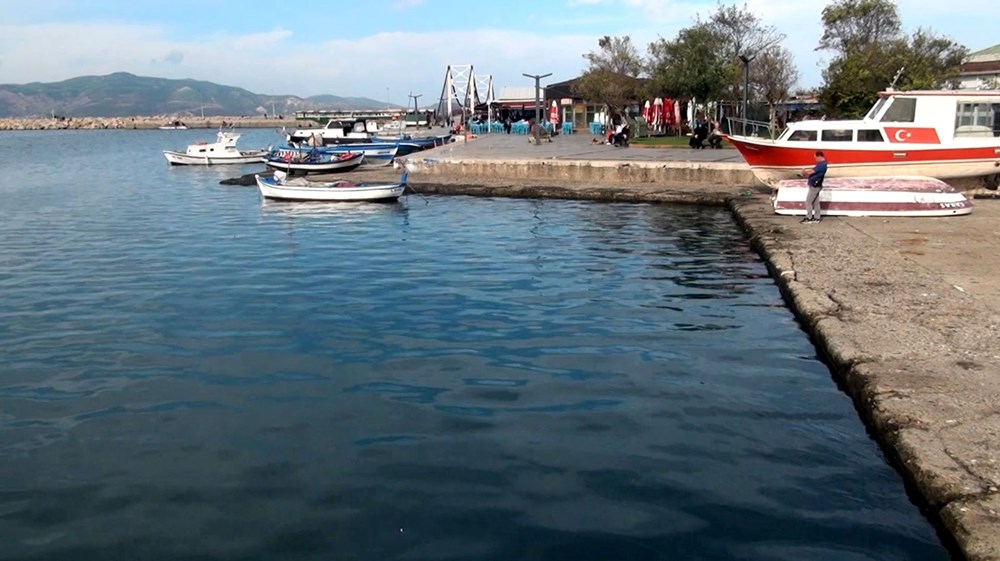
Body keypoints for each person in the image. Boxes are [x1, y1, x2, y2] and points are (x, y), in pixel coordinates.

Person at [801, 151, 828, 223]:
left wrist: (804, 172)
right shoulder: (821, 164)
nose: (815, 159)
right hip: (816, 185)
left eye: (816, 158)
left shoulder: (822, 165)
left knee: (808, 202)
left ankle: (809, 218)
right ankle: (817, 218)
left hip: (815, 186)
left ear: (819, 156)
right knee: (816, 202)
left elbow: (811, 172)